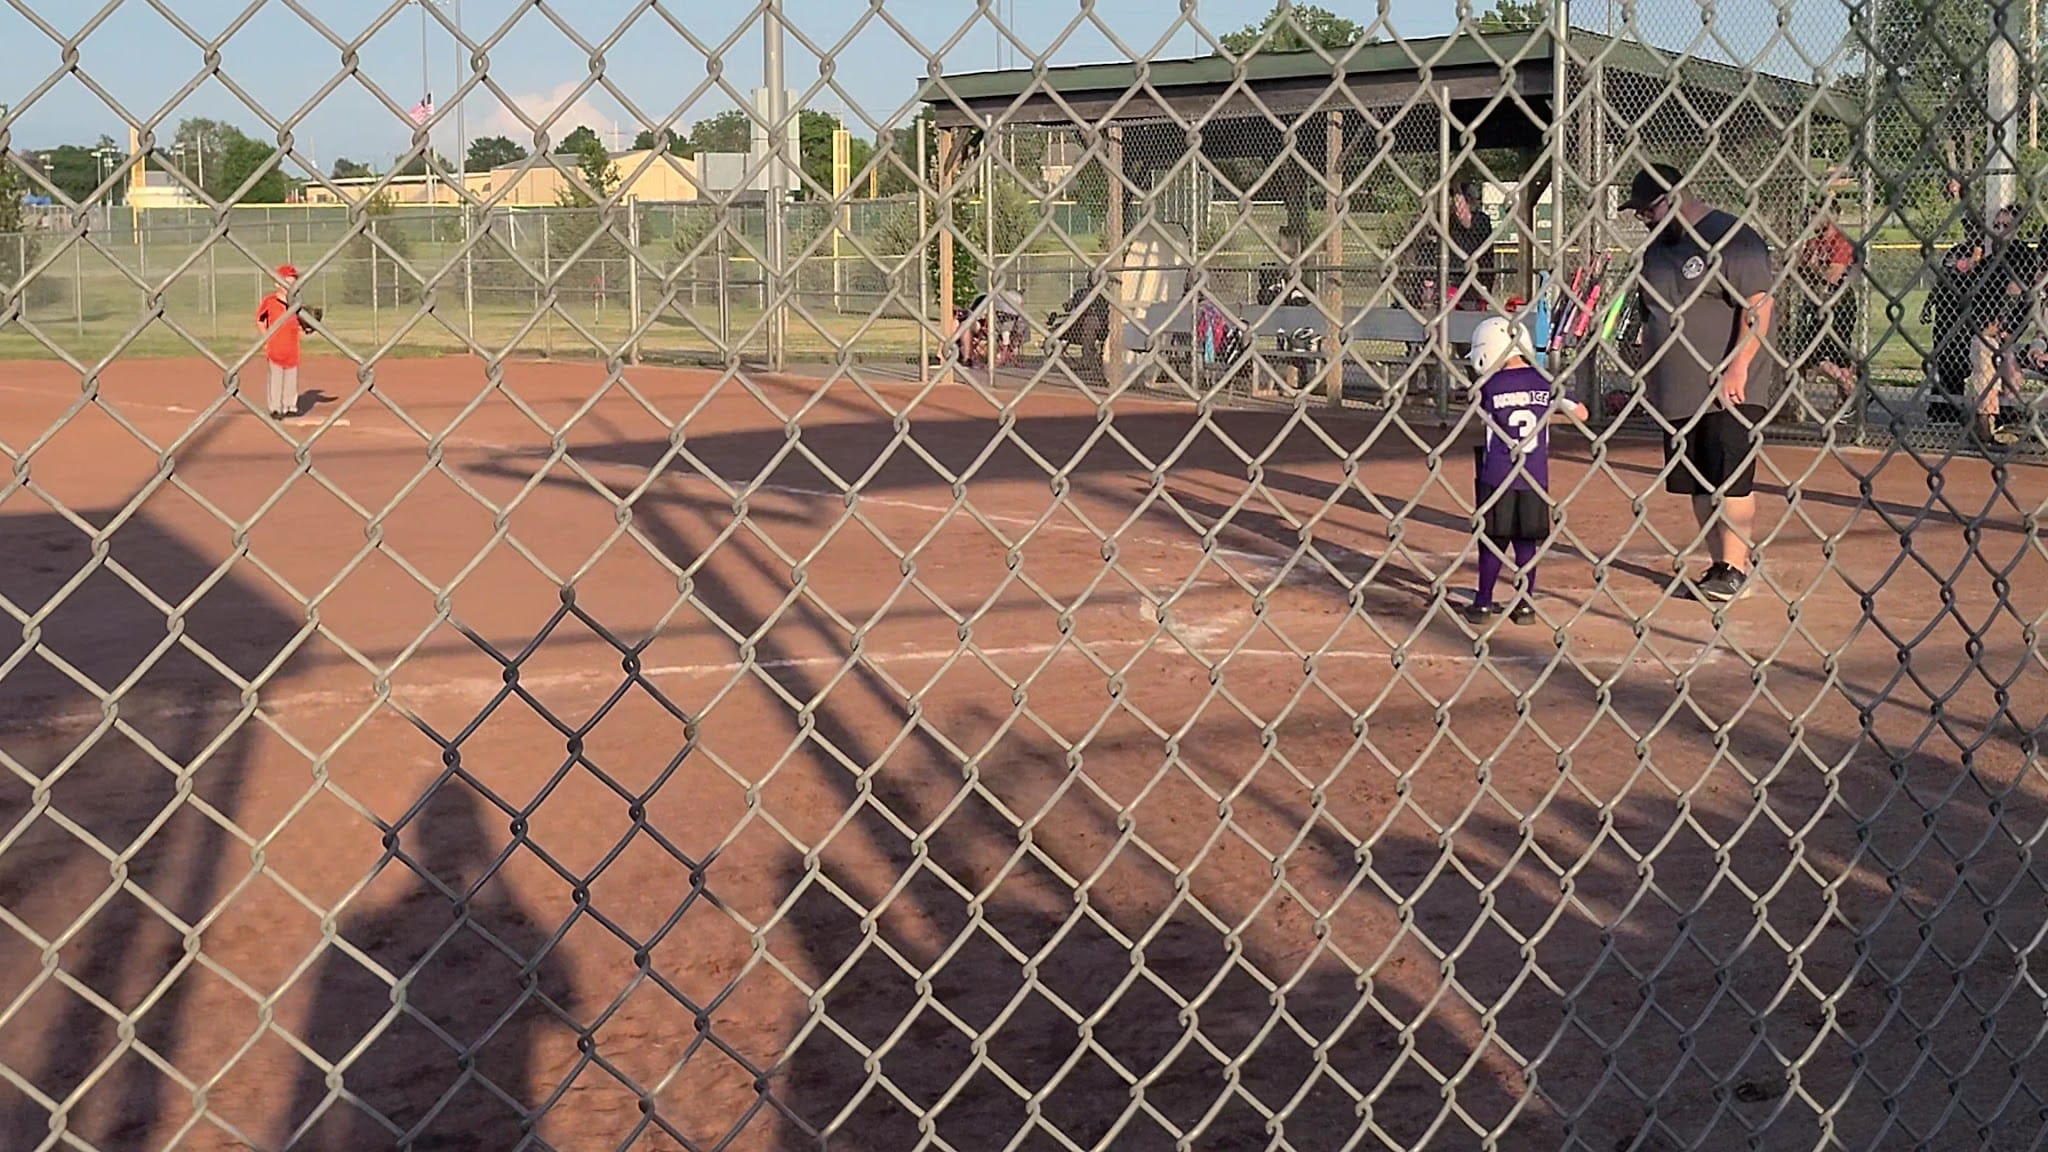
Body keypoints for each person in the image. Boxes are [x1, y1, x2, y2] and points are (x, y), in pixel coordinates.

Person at [1620, 162, 1776, 605]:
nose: (1644, 219)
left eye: (1648, 209)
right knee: (1699, 484)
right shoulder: (1657, 249)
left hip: (1731, 387)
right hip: (1678, 392)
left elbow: (1760, 307)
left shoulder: (1731, 237)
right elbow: (1651, 315)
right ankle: (1720, 564)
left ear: (1677, 196)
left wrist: (1738, 365)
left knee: (1730, 479)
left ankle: (1735, 566)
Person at [1463, 315, 1588, 626]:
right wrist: (1546, 414)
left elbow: (1477, 418)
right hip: (1535, 476)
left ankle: (1483, 603)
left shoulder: (1488, 386)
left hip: (1497, 476)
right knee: (1526, 540)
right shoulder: (1546, 381)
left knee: (1493, 538)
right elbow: (1582, 414)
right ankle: (1525, 604)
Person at [1964, 203, 2030, 448]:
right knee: (1982, 349)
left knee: (1990, 351)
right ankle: (1985, 428)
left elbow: (2017, 295)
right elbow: (1975, 302)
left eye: (2006, 225)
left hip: (2018, 330)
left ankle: (1994, 424)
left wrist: (2005, 327)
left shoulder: (2021, 254)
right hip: (1990, 332)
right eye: (1997, 225)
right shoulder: (1988, 262)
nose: (2000, 230)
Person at [1789, 202, 1857, 413]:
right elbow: (1795, 270)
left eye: (1815, 215)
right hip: (1817, 303)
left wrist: (1811, 267)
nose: (1809, 220)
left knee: (1831, 354)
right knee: (1811, 354)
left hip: (1839, 303)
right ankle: (1850, 391)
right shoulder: (1812, 242)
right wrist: (1812, 268)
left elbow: (1833, 275)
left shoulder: (1841, 242)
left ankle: (1849, 391)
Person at [254, 264, 311, 420]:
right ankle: (275, 408)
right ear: (277, 283)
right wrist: (266, 338)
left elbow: (300, 324)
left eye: (293, 282)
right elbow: (259, 320)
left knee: (291, 378)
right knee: (276, 378)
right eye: (286, 282)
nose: (290, 285)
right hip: (275, 346)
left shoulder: (297, 303)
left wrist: (306, 328)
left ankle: (290, 406)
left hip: (292, 347)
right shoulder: (270, 301)